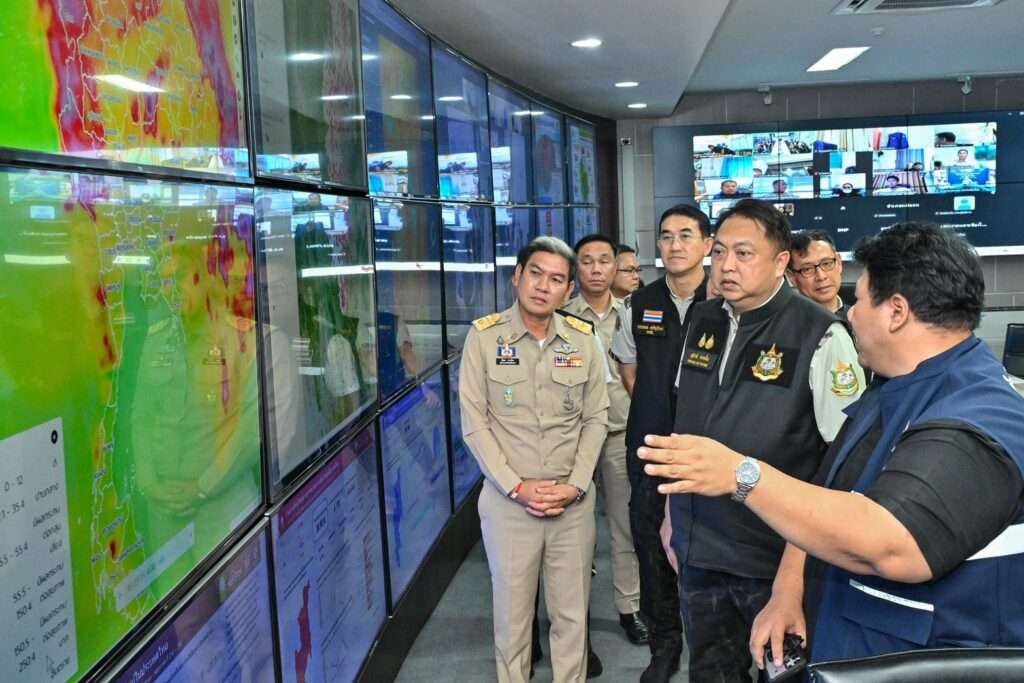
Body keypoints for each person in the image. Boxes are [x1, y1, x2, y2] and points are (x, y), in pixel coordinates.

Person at [638, 222, 1024, 669]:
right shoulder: (893, 386)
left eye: (859, 300)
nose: (850, 315)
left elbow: (890, 543)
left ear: (896, 312)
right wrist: (788, 588)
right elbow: (830, 489)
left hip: (917, 662)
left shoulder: (975, 417)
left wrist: (742, 476)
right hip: (852, 646)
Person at [652, 199, 865, 682]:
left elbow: (844, 463)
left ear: (780, 261)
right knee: (711, 673)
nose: (727, 265)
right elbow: (685, 427)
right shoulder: (703, 320)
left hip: (777, 559)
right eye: (720, 252)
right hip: (699, 548)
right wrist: (671, 514)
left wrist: (795, 567)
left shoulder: (820, 333)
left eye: (744, 254)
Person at [460, 236, 610, 683]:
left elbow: (596, 419)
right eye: (536, 274)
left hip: (571, 503)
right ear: (517, 277)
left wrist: (575, 485)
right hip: (509, 505)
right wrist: (517, 488)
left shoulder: (583, 339)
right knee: (512, 620)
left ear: (569, 290)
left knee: (571, 619)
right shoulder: (484, 338)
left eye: (557, 279)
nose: (544, 286)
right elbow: (475, 425)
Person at [610, 204, 713, 683]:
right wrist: (655, 406)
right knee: (652, 549)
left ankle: (712, 651)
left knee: (711, 550)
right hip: (650, 447)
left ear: (707, 245)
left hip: (710, 450)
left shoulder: (726, 300)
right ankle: (664, 646)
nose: (675, 245)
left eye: (686, 235)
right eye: (667, 236)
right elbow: (629, 369)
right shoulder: (639, 302)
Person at [563, 235, 649, 646]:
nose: (596, 269)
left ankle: (629, 608)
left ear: (616, 267)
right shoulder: (560, 315)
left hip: (619, 432)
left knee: (624, 525)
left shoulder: (634, 313)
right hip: (572, 438)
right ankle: (571, 616)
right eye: (587, 261)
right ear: (576, 268)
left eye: (604, 261)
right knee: (571, 534)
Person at [789, 230, 847, 319]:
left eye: (826, 263)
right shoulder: (783, 324)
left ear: (839, 263)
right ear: (792, 277)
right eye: (807, 269)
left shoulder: (862, 317)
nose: (821, 276)